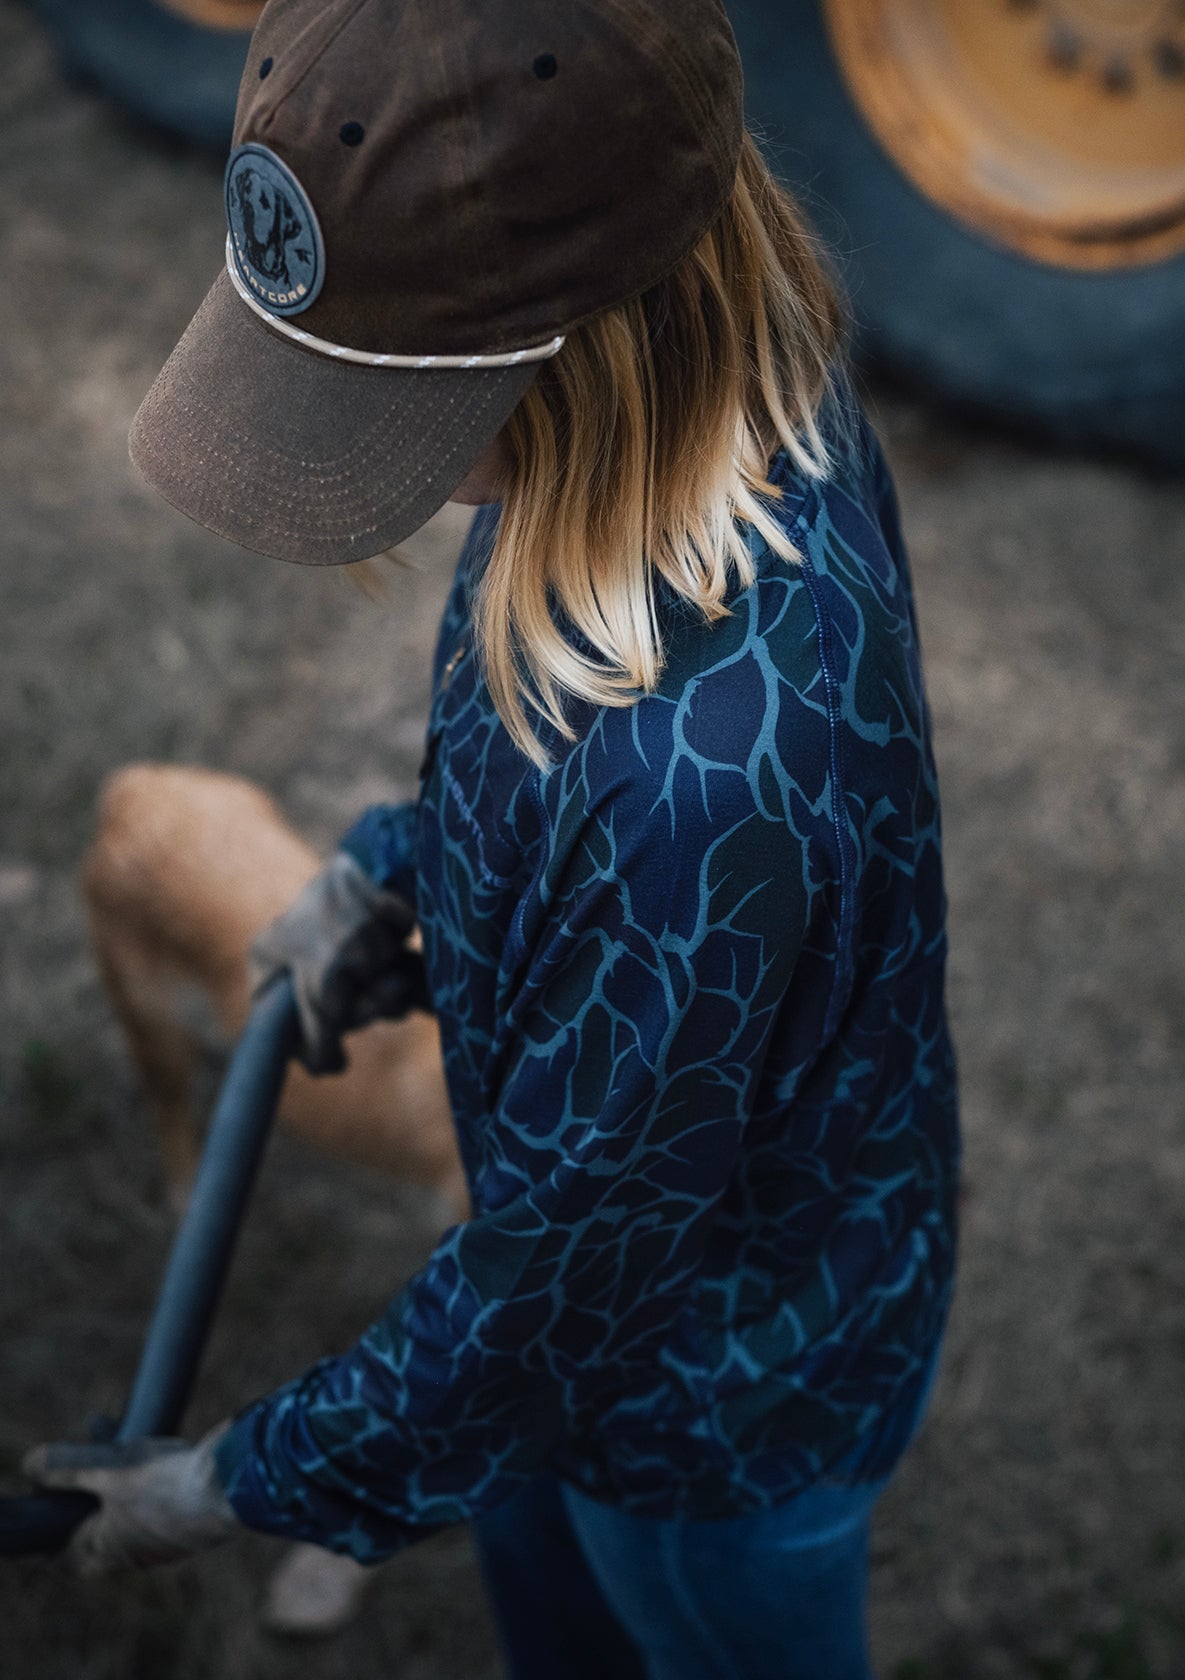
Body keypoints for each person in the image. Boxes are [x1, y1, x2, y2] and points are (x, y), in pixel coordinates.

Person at [27, 0, 960, 1674]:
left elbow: (548, 1303)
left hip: (704, 1421)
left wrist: (240, 1479)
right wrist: (394, 867)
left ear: (580, 349)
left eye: (400, 403)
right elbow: (560, 813)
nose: (364, 459)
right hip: (585, 1338)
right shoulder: (661, 449)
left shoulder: (705, 786)